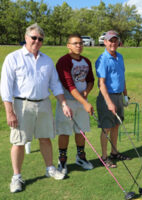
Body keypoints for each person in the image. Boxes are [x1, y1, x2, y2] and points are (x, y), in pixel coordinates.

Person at [0, 23, 72, 193]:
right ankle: (16, 177)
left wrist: (63, 103)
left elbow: (55, 85)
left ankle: (50, 168)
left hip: (44, 103)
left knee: (45, 138)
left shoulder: (47, 60)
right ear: (26, 38)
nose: (37, 41)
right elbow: (6, 88)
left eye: (40, 39)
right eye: (33, 37)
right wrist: (9, 112)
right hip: (21, 104)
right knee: (19, 142)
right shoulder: (13, 58)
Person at [55, 34, 95, 175]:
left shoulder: (86, 61)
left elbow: (90, 80)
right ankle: (62, 160)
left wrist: (86, 92)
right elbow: (69, 85)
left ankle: (81, 157)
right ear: (68, 45)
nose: (78, 46)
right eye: (75, 43)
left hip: (81, 102)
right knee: (65, 131)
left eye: (80, 43)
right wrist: (84, 102)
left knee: (81, 131)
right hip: (67, 102)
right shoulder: (63, 62)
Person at [95, 30, 130, 168]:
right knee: (106, 127)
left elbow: (122, 77)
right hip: (106, 98)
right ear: (105, 42)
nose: (113, 43)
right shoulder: (102, 59)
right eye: (110, 41)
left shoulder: (119, 57)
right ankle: (104, 157)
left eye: (115, 40)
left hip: (119, 96)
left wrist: (125, 95)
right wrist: (109, 102)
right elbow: (101, 84)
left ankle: (114, 153)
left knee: (116, 125)